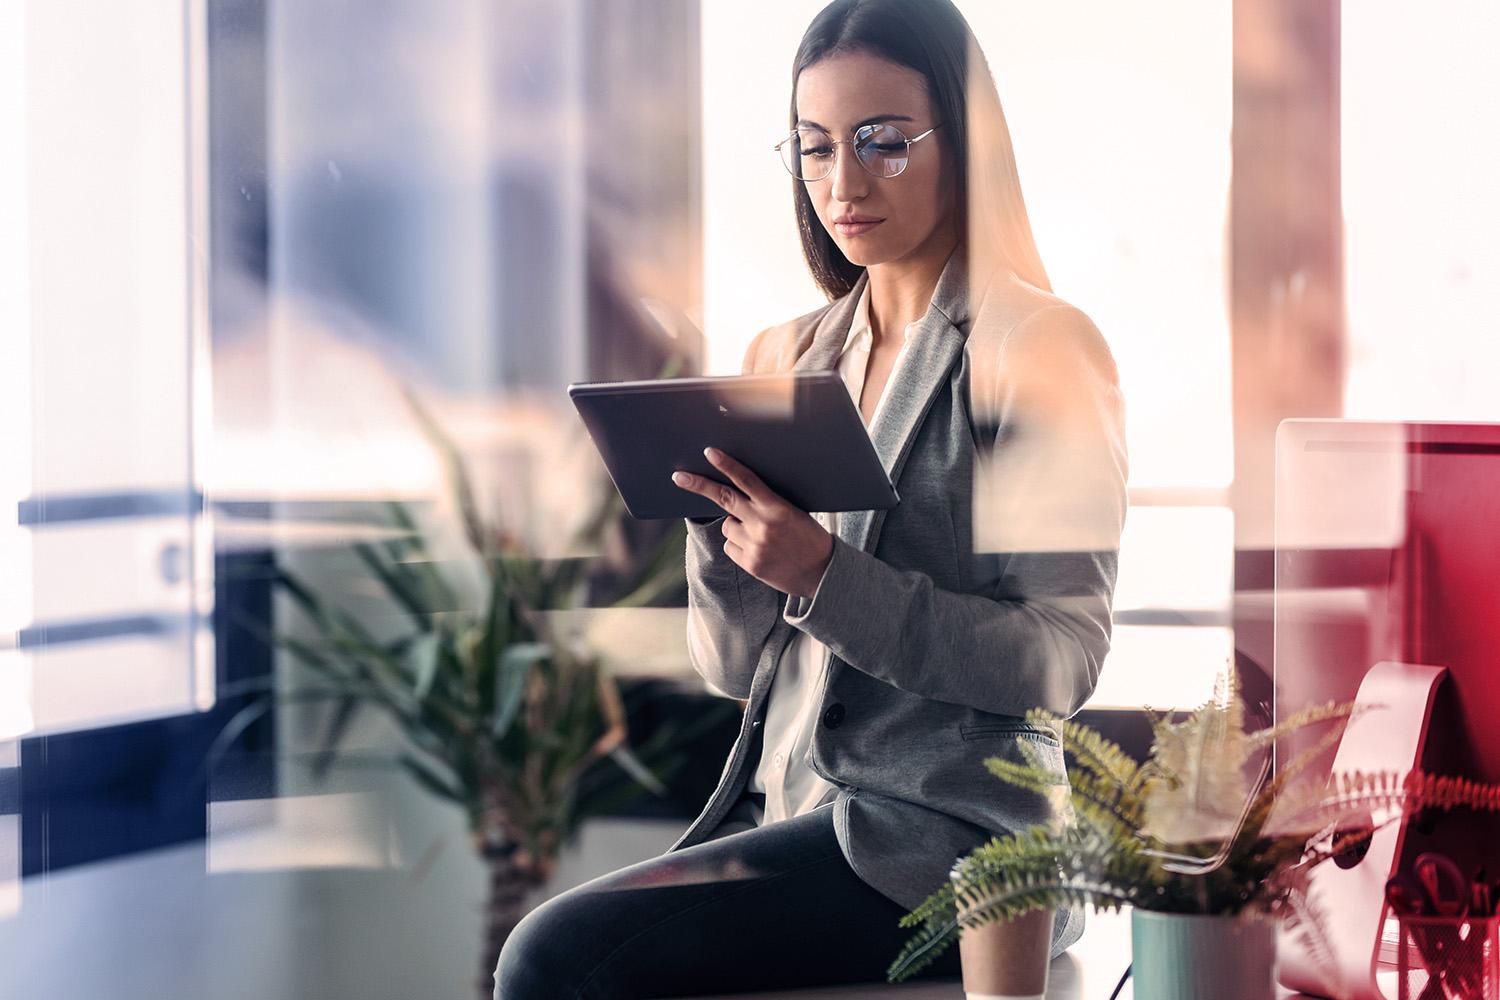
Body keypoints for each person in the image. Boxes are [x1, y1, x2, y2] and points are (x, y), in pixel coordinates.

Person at [494, 1, 1127, 997]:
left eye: (884, 142)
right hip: (790, 814)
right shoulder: (788, 358)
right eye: (817, 147)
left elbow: (1061, 657)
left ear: (965, 142)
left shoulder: (1037, 347)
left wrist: (826, 576)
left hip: (948, 843)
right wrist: (724, 539)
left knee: (551, 958)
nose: (844, 183)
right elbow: (732, 667)